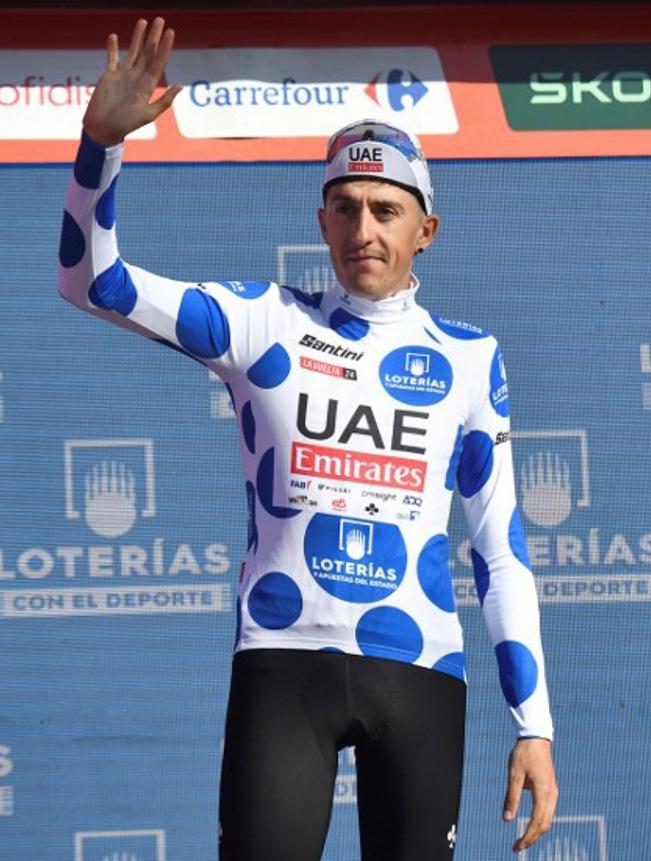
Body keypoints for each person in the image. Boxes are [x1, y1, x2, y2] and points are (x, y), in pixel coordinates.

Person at [58, 17, 558, 859]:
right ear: (322, 221)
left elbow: (499, 552)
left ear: (424, 230)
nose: (365, 227)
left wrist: (533, 726)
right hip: (284, 660)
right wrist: (100, 144)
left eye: (387, 210)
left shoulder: (471, 359)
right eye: (347, 207)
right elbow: (91, 281)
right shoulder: (263, 322)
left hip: (420, 667)